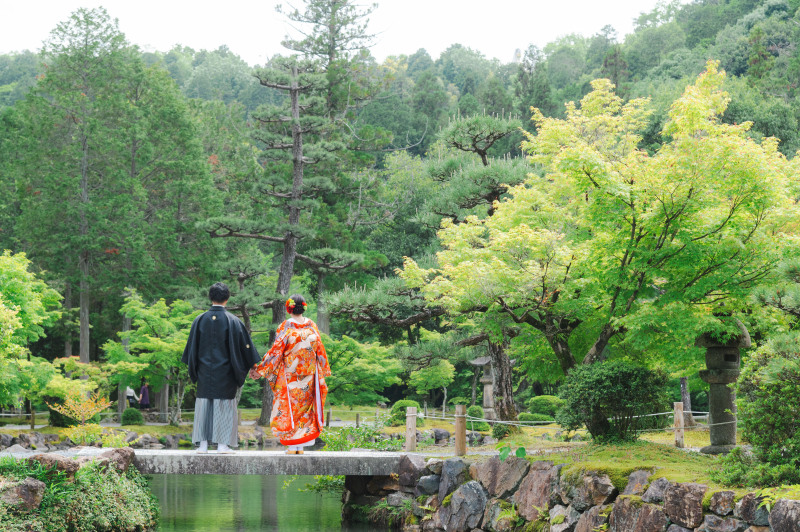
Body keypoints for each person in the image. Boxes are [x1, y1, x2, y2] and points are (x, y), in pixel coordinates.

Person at [182, 282, 261, 454]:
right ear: (227, 298)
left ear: (210, 297)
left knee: (204, 406)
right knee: (224, 407)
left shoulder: (199, 320)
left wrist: (197, 368)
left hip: (204, 371)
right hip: (226, 373)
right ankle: (222, 445)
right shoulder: (233, 321)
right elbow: (246, 347)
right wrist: (254, 367)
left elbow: (190, 350)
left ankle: (202, 445)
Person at [251, 294, 331, 454]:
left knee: (291, 410)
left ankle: (293, 446)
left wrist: (260, 370)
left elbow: (276, 351)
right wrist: (323, 368)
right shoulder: (312, 325)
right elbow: (320, 349)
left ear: (289, 308)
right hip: (309, 375)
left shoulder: (286, 326)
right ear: (304, 307)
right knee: (305, 412)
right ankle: (299, 447)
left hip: (290, 376)